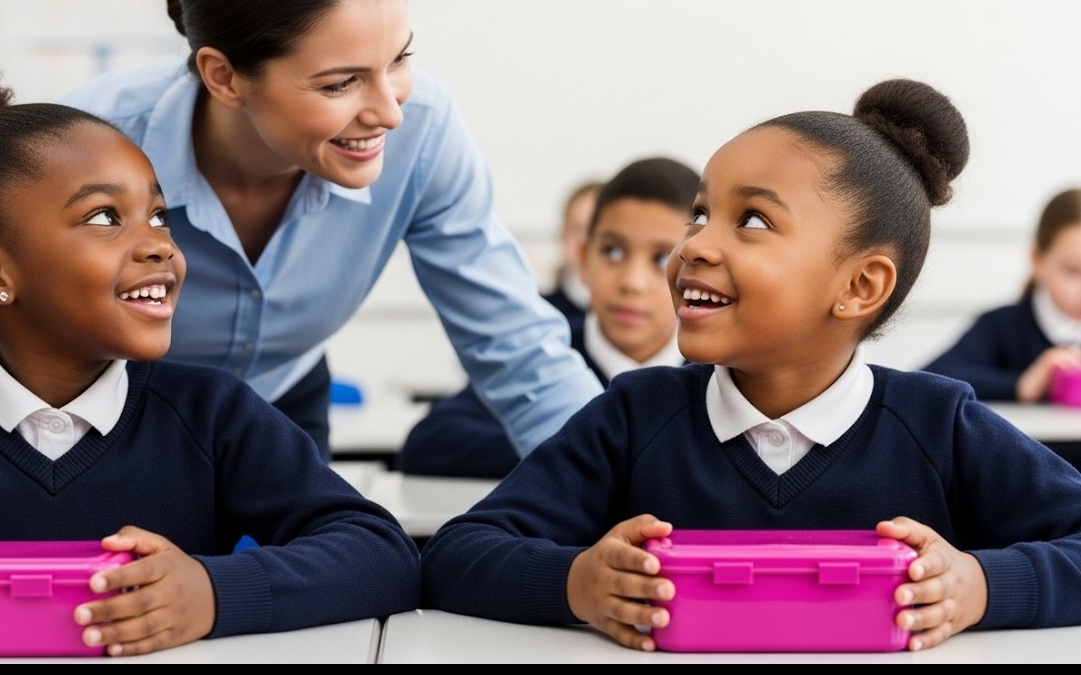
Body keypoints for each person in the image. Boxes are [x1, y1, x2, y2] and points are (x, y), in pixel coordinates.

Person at [419, 78, 1081, 653]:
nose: (693, 245)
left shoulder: (939, 426)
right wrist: (577, 583)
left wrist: (981, 586)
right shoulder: (634, 416)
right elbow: (457, 554)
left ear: (860, 286)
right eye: (701, 213)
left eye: (754, 221)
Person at [0, 74, 420, 659]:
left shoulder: (212, 415)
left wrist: (212, 593)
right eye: (104, 218)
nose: (159, 244)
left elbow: (382, 556)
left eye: (158, 215)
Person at [0, 0, 604, 464]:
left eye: (399, 60)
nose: (389, 109)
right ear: (223, 76)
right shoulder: (88, 143)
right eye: (340, 83)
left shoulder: (424, 132)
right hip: (103, 422)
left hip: (281, 411)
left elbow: (518, 348)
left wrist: (611, 491)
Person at [396, 157, 698, 478]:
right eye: (613, 252)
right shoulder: (542, 353)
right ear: (583, 258)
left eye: (662, 259)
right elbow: (428, 444)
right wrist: (586, 448)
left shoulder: (719, 374)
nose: (632, 282)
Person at [922, 188, 1081, 403]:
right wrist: (1022, 384)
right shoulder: (1001, 327)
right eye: (1073, 271)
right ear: (1037, 260)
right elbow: (930, 378)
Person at [542, 179, 603, 332]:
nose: (585, 242)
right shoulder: (537, 313)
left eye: (594, 231)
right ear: (562, 237)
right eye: (577, 229)